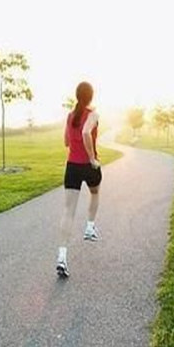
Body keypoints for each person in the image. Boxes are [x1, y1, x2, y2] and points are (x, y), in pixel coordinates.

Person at [57, 81, 101, 277]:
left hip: (72, 167)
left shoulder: (70, 115)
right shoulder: (93, 114)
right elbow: (85, 132)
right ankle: (90, 227)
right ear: (91, 96)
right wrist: (91, 158)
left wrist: (76, 144)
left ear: (77, 96)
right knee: (95, 192)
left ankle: (62, 256)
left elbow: (66, 141)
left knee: (68, 212)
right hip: (87, 166)